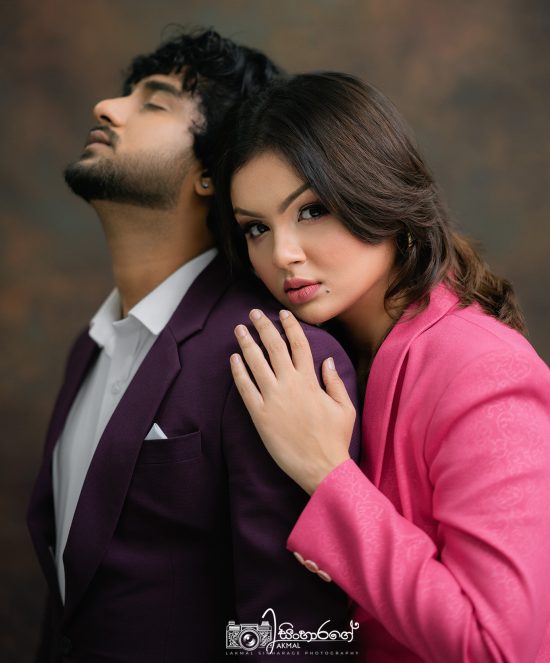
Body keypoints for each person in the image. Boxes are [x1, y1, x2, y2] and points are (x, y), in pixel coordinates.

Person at [26, 36, 361, 662]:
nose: (106, 107)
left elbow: (297, 638)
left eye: (153, 103)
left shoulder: (273, 354)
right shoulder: (90, 346)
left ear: (213, 173)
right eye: (125, 94)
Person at [214, 71, 550, 661]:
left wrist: (327, 474)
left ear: (379, 193)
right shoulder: (334, 352)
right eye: (256, 228)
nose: (282, 254)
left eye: (312, 210)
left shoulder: (481, 368)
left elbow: (499, 648)